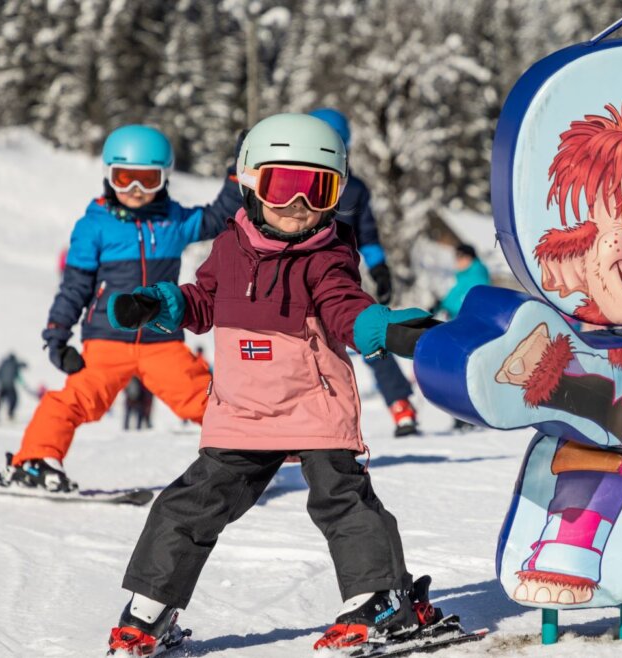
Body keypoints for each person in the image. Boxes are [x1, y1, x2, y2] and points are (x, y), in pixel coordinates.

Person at [102, 114, 441, 656]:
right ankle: (148, 611)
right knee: (186, 507)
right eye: (285, 185)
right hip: (243, 411)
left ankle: (379, 600)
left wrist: (380, 327)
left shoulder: (328, 256)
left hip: (314, 406)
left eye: (318, 188)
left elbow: (344, 308)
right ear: (251, 182)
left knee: (343, 502)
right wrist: (162, 303)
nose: (299, 203)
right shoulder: (228, 248)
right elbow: (204, 300)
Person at [0, 124, 243, 492]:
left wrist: (238, 172)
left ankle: (256, 448)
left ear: (165, 178)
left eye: (147, 180)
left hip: (162, 341)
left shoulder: (173, 221)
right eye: (125, 179)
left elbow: (222, 216)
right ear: (109, 177)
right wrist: (58, 337)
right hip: (107, 341)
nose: (136, 191)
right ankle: (34, 461)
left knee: (205, 397)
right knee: (73, 400)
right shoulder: (94, 227)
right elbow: (74, 287)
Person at [308, 108, 421, 437]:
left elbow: (367, 235)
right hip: (296, 280)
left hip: (339, 280)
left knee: (368, 335)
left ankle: (401, 405)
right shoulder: (292, 183)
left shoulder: (354, 189)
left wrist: (380, 269)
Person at [436, 243, 490, 431]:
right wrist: (439, 305)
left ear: (469, 258)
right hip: (461, 329)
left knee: (465, 371)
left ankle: (468, 414)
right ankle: (463, 415)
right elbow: (452, 297)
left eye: (460, 258)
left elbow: (463, 302)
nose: (457, 262)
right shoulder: (465, 277)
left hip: (470, 330)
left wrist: (443, 306)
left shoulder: (476, 276)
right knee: (461, 372)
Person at [0, 353, 26, 422]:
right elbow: (21, 365)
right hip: (10, 385)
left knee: (0, 399)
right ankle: (10, 414)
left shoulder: (3, 363)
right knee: (14, 399)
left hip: (2, 385)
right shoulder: (14, 363)